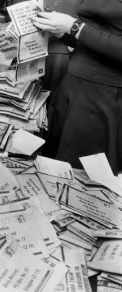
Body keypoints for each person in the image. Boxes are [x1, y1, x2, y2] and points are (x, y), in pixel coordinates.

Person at [32, 0, 122, 174]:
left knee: (86, 179)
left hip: (104, 97)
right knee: (56, 168)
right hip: (73, 87)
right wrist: (62, 33)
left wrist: (76, 28)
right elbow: (96, 37)